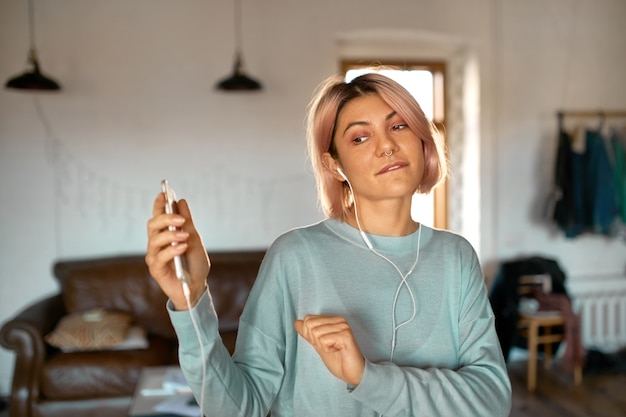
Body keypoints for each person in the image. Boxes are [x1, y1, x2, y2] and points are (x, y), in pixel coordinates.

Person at [146, 71, 512, 417]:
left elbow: (492, 400)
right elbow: (239, 408)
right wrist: (190, 299)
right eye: (360, 137)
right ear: (334, 165)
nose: (387, 145)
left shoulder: (456, 256)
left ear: (420, 138)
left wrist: (367, 378)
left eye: (398, 125)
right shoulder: (295, 256)